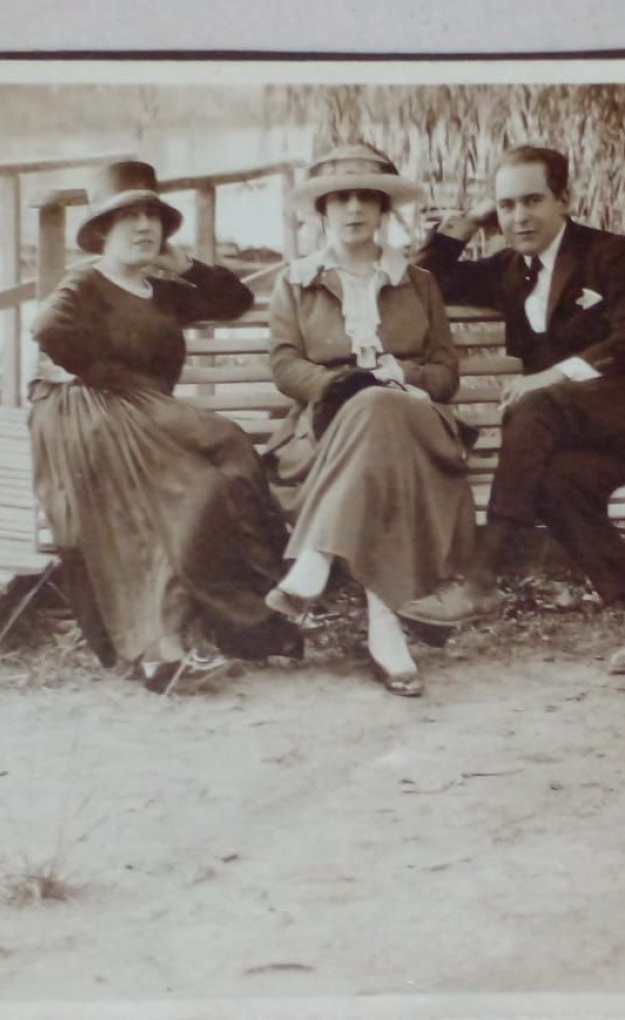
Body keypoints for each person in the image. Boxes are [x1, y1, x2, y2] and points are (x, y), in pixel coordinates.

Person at [402, 145, 625, 674]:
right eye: (506, 206)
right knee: (557, 485)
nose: (518, 217)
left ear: (564, 200)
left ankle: (480, 579)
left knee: (535, 407)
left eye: (532, 201)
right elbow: (424, 278)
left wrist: (550, 375)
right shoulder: (508, 270)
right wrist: (471, 221)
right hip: (582, 428)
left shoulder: (615, 254)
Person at [28, 159, 301, 693]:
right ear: (103, 230)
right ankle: (163, 647)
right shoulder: (86, 281)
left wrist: (182, 263)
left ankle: (216, 630)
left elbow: (234, 299)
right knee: (193, 486)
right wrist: (107, 376)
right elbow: (47, 327)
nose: (142, 226)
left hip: (143, 412)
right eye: (127, 216)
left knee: (226, 457)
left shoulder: (160, 288)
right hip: (86, 411)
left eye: (151, 215)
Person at [263, 144, 476, 698]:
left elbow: (446, 373)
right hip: (326, 430)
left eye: (367, 198)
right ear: (323, 211)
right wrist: (339, 384)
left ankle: (314, 558)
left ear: (384, 211)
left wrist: (400, 372)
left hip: (417, 424)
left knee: (382, 406)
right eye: (341, 199)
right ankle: (385, 629)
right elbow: (285, 365)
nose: (354, 208)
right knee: (371, 415)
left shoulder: (419, 282)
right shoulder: (296, 280)